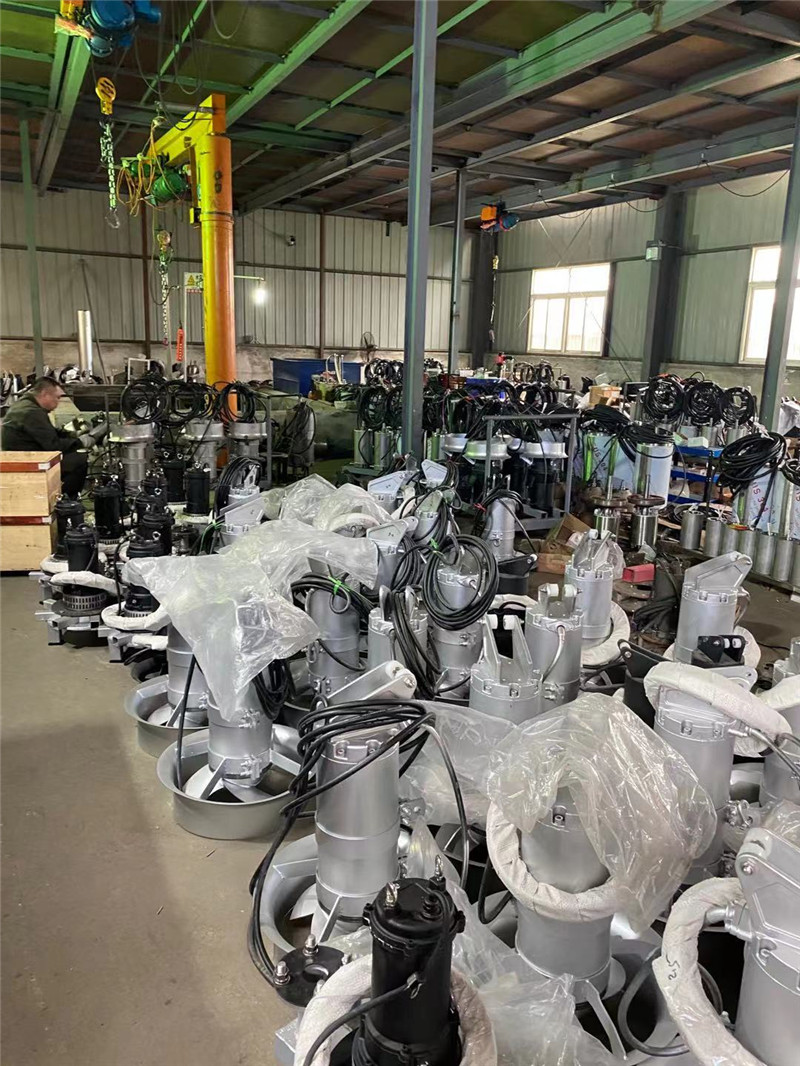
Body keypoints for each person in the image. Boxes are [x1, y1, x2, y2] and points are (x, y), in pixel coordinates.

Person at [1, 377, 93, 496]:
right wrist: (80, 442)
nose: (58, 402)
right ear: (45, 394)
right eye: (57, 397)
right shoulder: (32, 413)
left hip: (24, 454)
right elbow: (53, 446)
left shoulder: (26, 404)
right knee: (79, 461)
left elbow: (48, 432)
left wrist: (71, 434)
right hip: (26, 460)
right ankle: (66, 501)